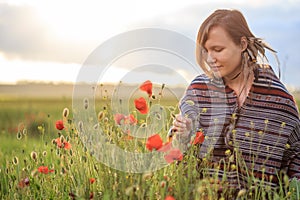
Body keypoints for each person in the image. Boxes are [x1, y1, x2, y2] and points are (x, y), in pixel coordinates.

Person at [170, 9, 300, 196]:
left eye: (217, 49)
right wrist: (182, 134)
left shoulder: (280, 101)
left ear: (242, 44)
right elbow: (177, 154)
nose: (209, 59)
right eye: (206, 51)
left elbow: (295, 165)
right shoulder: (198, 91)